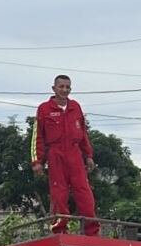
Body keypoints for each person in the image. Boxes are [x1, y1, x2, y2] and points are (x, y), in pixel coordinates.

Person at [31, 74, 99, 236]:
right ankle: (60, 230)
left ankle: (92, 230)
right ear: (54, 89)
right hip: (56, 154)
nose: (64, 90)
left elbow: (83, 133)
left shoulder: (76, 107)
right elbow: (37, 137)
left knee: (84, 191)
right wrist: (37, 161)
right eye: (61, 87)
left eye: (67, 87)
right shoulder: (44, 109)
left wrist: (88, 155)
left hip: (74, 153)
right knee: (58, 193)